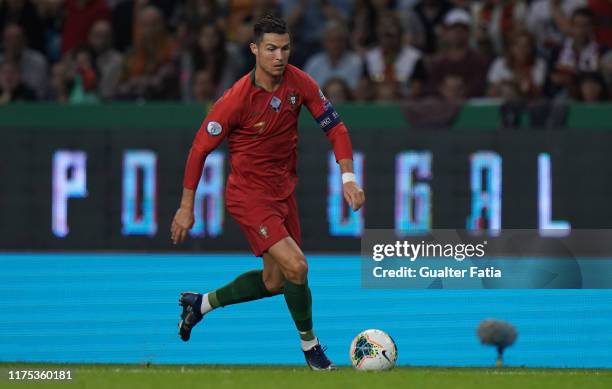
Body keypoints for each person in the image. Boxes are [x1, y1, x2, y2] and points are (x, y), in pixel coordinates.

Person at [170, 14, 364, 370]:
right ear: (255, 50)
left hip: (283, 192)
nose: (279, 56)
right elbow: (199, 149)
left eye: (285, 48)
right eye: (271, 49)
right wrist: (186, 207)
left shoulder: (300, 83)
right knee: (297, 267)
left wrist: (348, 178)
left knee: (276, 281)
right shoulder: (236, 99)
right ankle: (312, 350)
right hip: (249, 195)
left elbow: (336, 129)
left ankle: (200, 304)